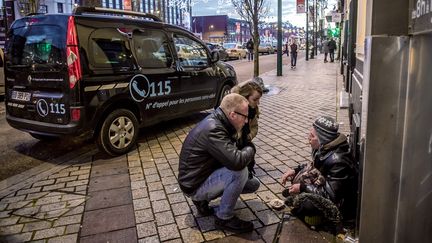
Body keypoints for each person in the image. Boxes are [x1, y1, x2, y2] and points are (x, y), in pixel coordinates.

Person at [178, 93, 257, 233]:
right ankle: (224, 218)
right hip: (194, 185)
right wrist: (251, 148)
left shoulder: (221, 122)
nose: (246, 121)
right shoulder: (214, 128)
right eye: (244, 116)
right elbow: (237, 162)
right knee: (239, 173)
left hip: (200, 177)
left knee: (253, 184)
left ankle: (202, 201)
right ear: (233, 115)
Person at [281, 116, 358, 225]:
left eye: (312, 136)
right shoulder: (325, 148)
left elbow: (330, 196)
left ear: (323, 139)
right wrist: (295, 170)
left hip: (341, 206)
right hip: (326, 184)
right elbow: (314, 167)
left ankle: (320, 219)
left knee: (307, 204)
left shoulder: (338, 161)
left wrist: (302, 187)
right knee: (298, 177)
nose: (308, 138)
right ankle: (298, 199)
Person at [231, 81, 263, 186]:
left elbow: (254, 127)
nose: (258, 103)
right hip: (233, 144)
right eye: (255, 99)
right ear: (245, 98)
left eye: (259, 99)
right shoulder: (233, 110)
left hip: (245, 140)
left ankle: (247, 172)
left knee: (249, 150)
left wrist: (249, 136)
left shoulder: (253, 110)